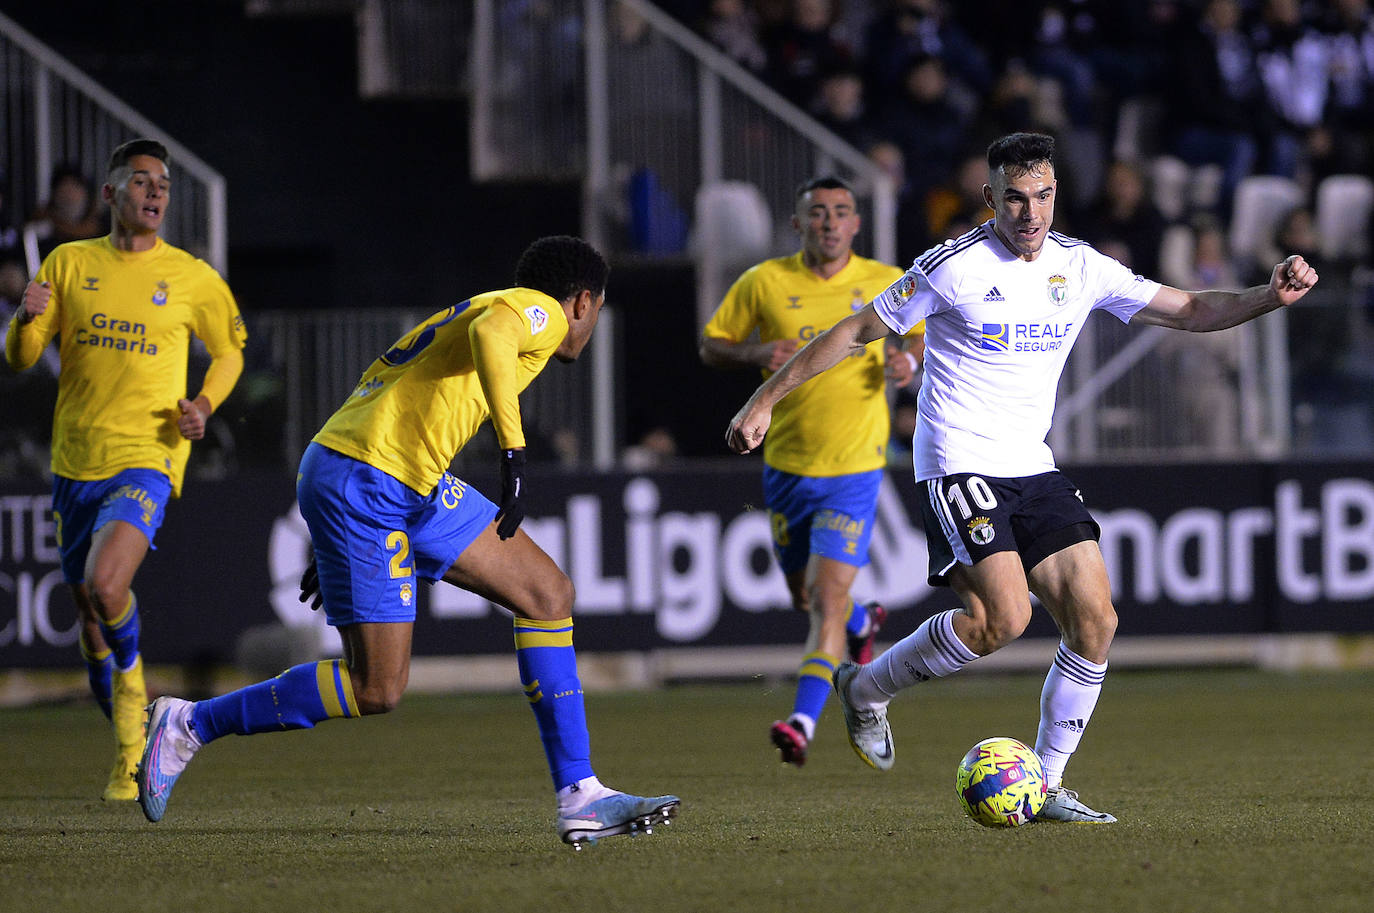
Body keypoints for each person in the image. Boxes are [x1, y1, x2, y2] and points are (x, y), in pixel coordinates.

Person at [726, 133, 1319, 820]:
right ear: (990, 199)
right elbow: (855, 332)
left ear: (1056, 194)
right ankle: (864, 688)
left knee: (1096, 619)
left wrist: (1269, 297)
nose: (1029, 212)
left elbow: (1188, 309)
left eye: (1041, 195)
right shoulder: (952, 267)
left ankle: (1048, 782)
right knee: (1001, 619)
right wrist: (762, 399)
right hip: (958, 459)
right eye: (1014, 197)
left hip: (1031, 463)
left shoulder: (1081, 265)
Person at [135, 235, 680, 848]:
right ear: (584, 301)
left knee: (547, 593)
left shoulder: (482, 303)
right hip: (371, 481)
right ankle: (189, 724)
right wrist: (513, 449)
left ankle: (581, 796)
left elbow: (385, 387)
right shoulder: (538, 311)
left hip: (398, 480)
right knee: (377, 689)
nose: (588, 326)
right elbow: (497, 336)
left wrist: (331, 522)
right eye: (597, 313)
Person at [4, 139, 247, 801]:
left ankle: (134, 730)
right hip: (74, 463)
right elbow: (23, 357)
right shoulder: (69, 263)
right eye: (141, 180)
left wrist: (203, 403)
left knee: (107, 586)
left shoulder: (191, 276)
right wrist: (25, 319)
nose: (156, 191)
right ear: (111, 194)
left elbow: (229, 350)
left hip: (148, 457)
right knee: (89, 613)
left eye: (164, 182)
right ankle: (117, 704)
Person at [700, 176, 923, 767]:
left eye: (841, 212)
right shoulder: (764, 282)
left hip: (856, 467)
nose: (829, 222)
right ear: (798, 225)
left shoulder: (884, 282)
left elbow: (922, 336)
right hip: (786, 467)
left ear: (856, 224)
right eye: (817, 213)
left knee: (823, 600)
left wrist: (908, 358)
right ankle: (863, 617)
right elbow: (711, 344)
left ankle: (802, 720)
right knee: (808, 597)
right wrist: (752, 354)